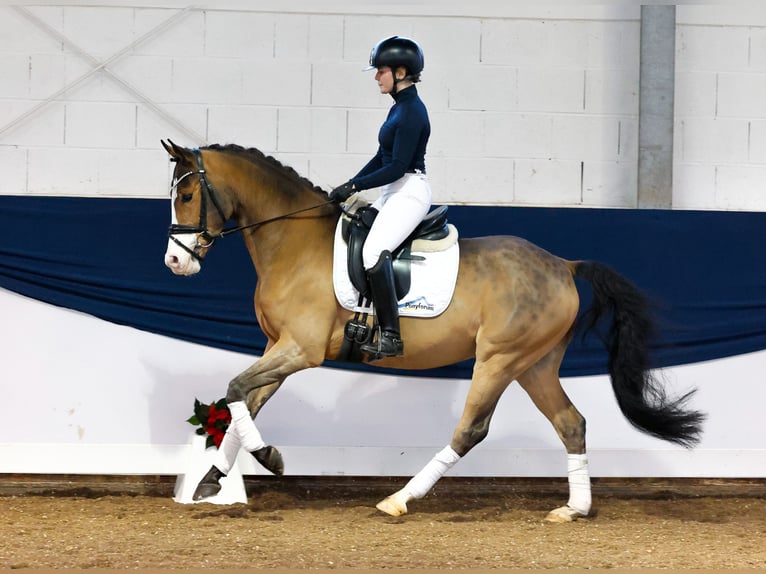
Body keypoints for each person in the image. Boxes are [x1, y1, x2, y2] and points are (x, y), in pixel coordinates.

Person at [329, 35, 432, 360]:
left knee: (374, 251)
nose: (376, 77)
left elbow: (397, 167)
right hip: (394, 190)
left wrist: (356, 187)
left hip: (409, 191)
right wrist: (351, 183)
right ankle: (362, 312)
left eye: (381, 71)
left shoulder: (412, 111)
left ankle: (391, 335)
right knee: (356, 227)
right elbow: (381, 158)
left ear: (401, 72)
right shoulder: (399, 109)